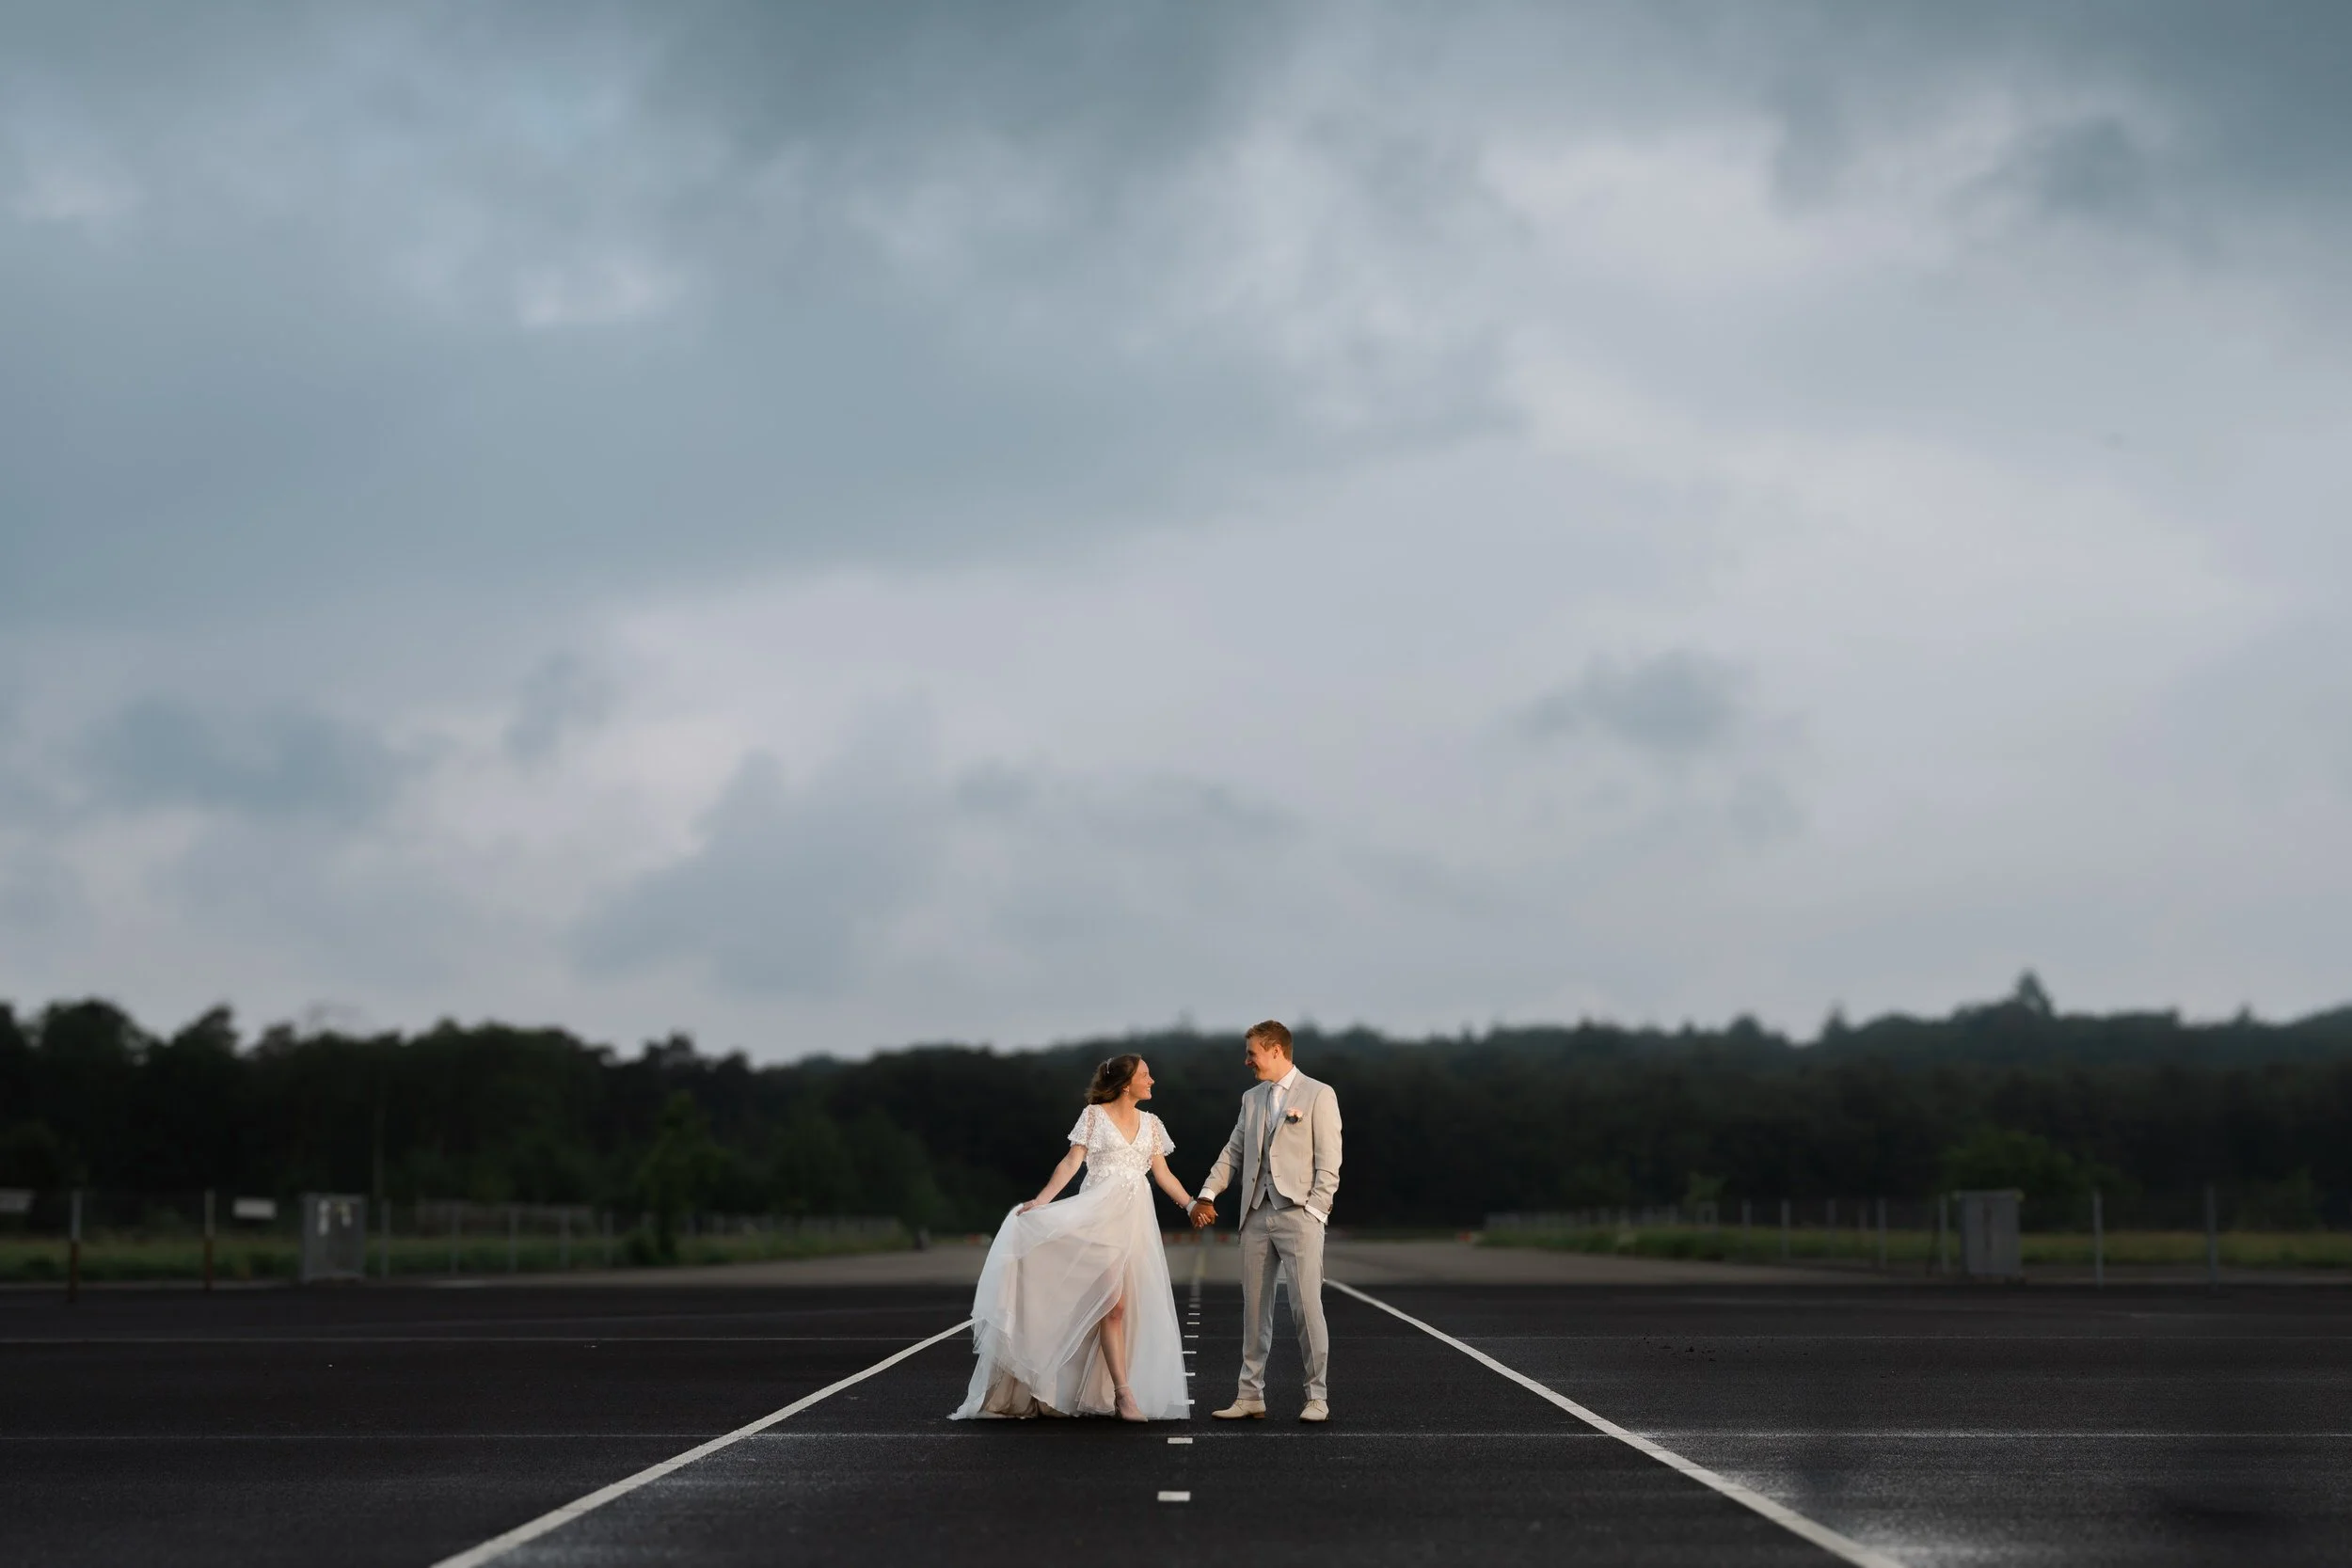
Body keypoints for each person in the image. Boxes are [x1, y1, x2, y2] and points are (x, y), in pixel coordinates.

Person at [952, 1054, 1198, 1421]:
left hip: (1136, 1225)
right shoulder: (1094, 1116)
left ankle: (1099, 1391)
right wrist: (1041, 1201)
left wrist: (1191, 1204)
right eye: (1146, 1075)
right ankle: (1123, 1395)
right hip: (1098, 1221)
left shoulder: (1151, 1124)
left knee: (1122, 1308)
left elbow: (1162, 1174)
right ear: (1125, 1084)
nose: (1152, 1080)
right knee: (1112, 1304)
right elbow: (1071, 1162)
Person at [1189, 1020, 1343, 1422]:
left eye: (1252, 1053)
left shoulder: (1319, 1094)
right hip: (1256, 1215)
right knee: (1254, 1311)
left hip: (1300, 1215)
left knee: (1306, 1308)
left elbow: (1330, 1162)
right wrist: (1207, 1193)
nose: (1247, 1061)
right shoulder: (1251, 1098)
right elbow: (1234, 1151)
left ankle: (1317, 1397)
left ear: (1276, 1050)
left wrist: (1315, 1210)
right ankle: (1250, 1395)